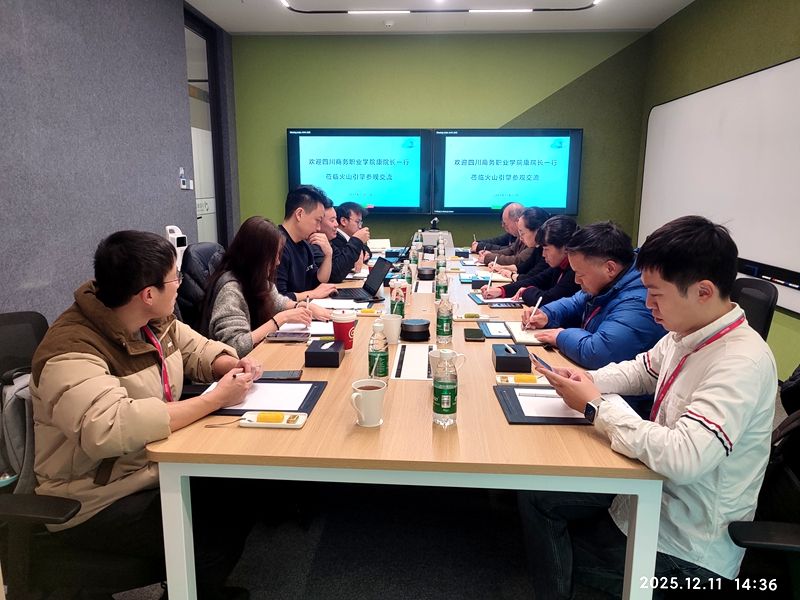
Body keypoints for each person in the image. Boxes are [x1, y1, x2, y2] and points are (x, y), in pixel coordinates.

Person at [519, 215, 778, 599]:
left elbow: (684, 458)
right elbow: (643, 369)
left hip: (684, 546)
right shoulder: (688, 331)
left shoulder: (740, 362)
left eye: (656, 295)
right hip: (646, 492)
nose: (647, 304)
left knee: (527, 546)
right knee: (537, 496)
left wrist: (595, 406)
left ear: (703, 291)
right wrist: (586, 380)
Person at [31, 230, 263, 599]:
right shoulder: (71, 349)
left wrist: (230, 365)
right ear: (148, 294)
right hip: (95, 498)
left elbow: (195, 349)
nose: (181, 284)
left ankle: (197, 587)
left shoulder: (150, 320)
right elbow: (108, 428)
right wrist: (214, 400)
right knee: (214, 529)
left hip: (152, 467)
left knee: (240, 491)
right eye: (176, 278)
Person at [521, 221, 665, 370]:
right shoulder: (609, 282)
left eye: (580, 274)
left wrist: (561, 336)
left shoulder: (637, 301)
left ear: (610, 268)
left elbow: (598, 353)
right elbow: (575, 302)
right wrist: (546, 314)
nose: (576, 280)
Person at [203, 216, 332, 357]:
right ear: (257, 256)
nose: (277, 262)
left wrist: (301, 306)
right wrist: (281, 319)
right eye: (274, 256)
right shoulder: (230, 291)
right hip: (238, 366)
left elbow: (278, 302)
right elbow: (235, 346)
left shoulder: (253, 278)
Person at [482, 215, 580, 306]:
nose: (543, 254)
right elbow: (536, 280)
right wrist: (501, 290)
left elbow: (547, 299)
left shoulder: (575, 271)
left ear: (565, 248)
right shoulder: (559, 265)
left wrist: (526, 291)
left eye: (546, 249)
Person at [276, 185, 337, 301]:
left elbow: (317, 282)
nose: (318, 228)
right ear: (299, 214)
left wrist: (328, 254)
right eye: (317, 220)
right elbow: (279, 299)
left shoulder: (304, 244)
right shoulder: (277, 245)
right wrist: (313, 294)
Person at [311, 202, 370, 283]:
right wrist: (356, 241)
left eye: (335, 219)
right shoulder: (314, 244)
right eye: (332, 220)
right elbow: (335, 274)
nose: (336, 224)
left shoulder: (328, 241)